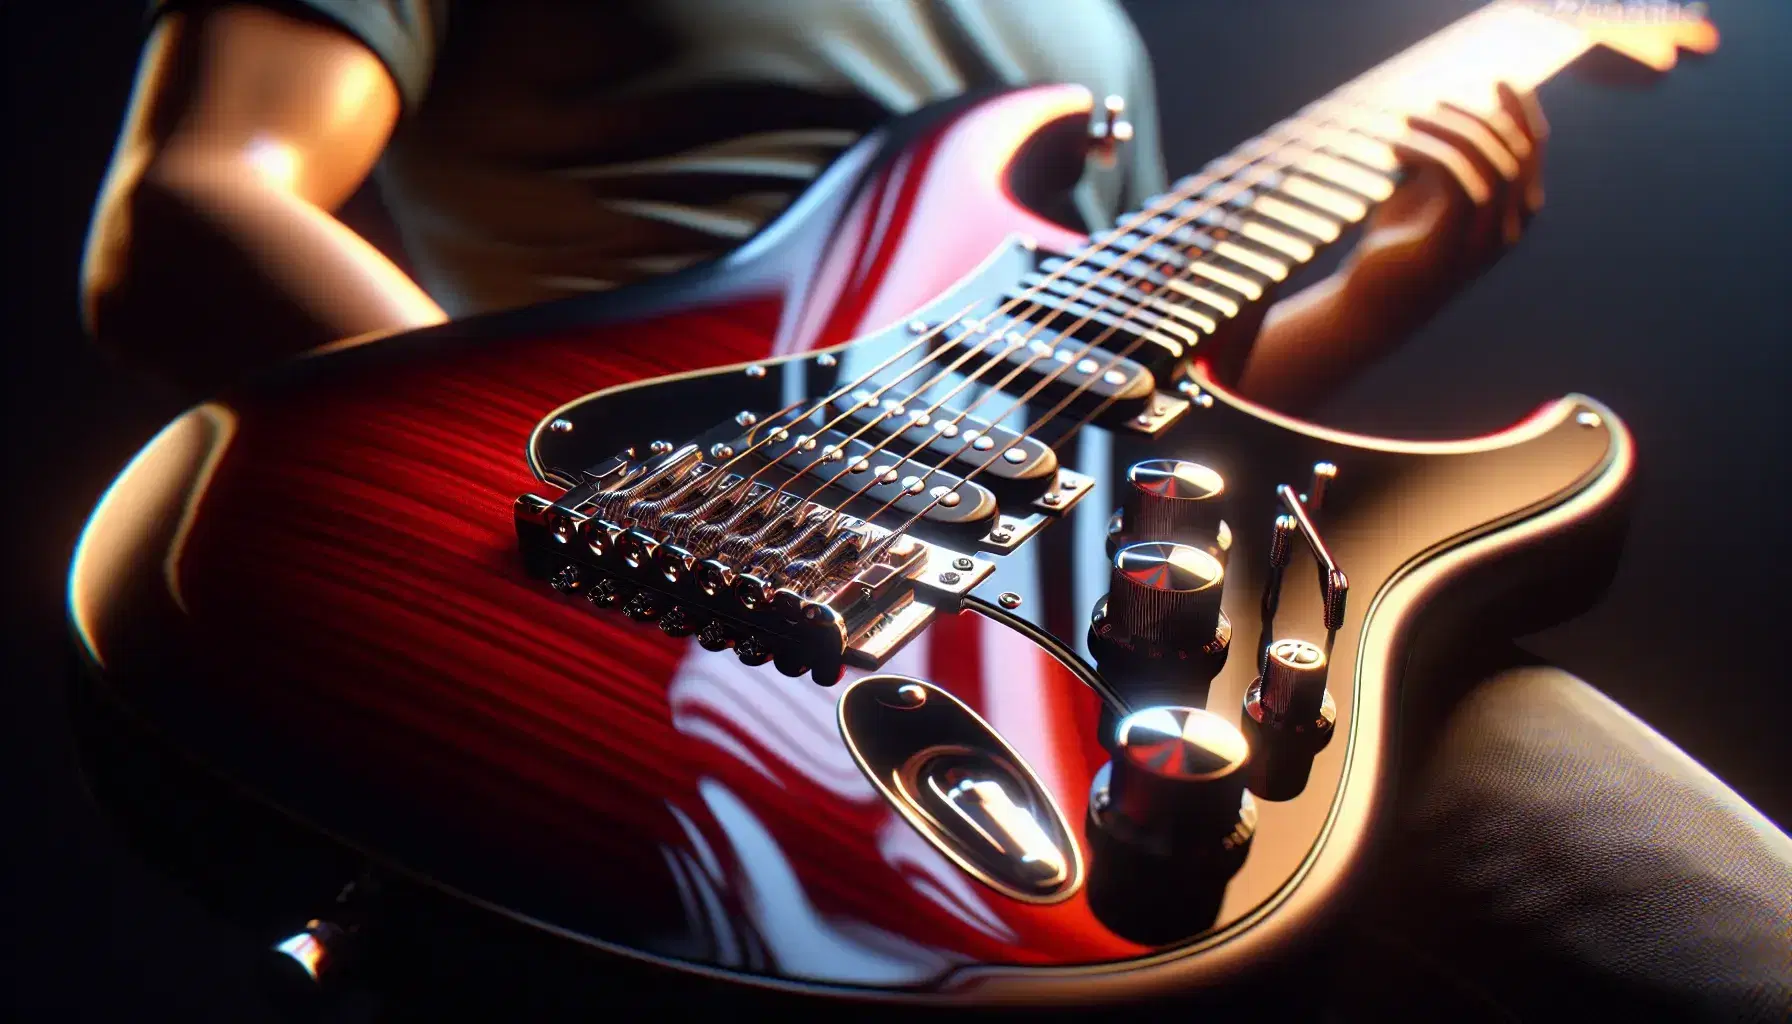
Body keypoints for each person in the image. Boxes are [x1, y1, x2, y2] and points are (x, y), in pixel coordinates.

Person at [80, 1, 1791, 1019]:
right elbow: (195, 201)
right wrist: (596, 473)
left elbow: (1124, 413)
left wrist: (1397, 286)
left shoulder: (1080, 39)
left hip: (1075, 685)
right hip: (590, 574)